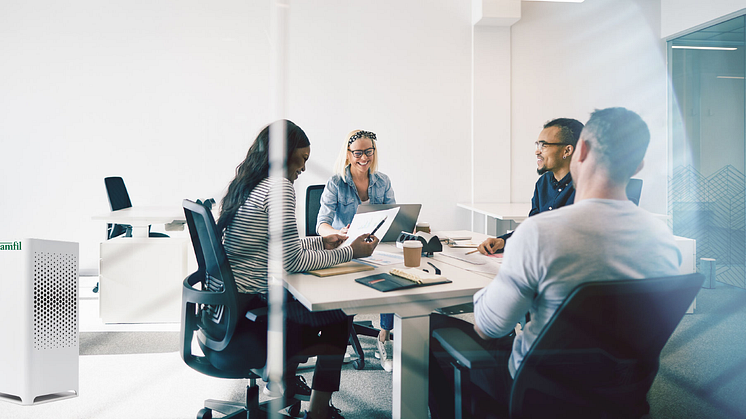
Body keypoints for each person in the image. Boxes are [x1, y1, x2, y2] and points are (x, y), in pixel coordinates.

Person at [429, 107, 682, 418]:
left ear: (580, 151)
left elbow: (489, 326)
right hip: (623, 395)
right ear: (639, 164)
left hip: (538, 394)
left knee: (433, 329)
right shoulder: (665, 241)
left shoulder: (539, 235)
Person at [218, 120, 378, 419]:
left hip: (229, 310)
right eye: (302, 159)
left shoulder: (251, 184)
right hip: (253, 314)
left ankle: (284, 385)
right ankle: (318, 410)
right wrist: (351, 252)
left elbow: (280, 245)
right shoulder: (279, 188)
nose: (303, 168)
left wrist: (322, 242)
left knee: (310, 303)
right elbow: (292, 261)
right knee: (339, 314)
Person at [316, 129, 397, 372]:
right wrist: (337, 233)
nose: (364, 157)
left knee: (394, 275)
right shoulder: (336, 183)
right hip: (346, 249)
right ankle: (337, 336)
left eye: (368, 152)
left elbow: (393, 215)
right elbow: (321, 223)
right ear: (348, 154)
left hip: (376, 247)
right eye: (358, 153)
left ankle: (384, 335)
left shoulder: (383, 181)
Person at [478, 118, 584, 255]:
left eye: (544, 146)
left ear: (567, 151)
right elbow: (533, 229)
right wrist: (503, 241)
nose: (537, 152)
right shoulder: (543, 183)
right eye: (537, 145)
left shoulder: (587, 186)